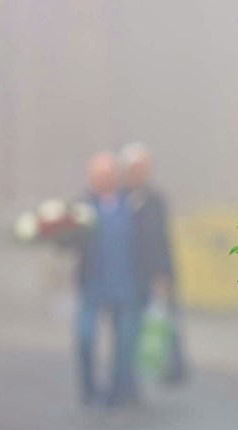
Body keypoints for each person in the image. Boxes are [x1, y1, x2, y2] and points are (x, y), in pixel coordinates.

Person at [74, 151, 143, 409]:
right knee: (85, 338)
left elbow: (151, 242)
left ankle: (119, 393)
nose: (102, 180)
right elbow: (69, 244)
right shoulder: (80, 208)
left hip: (127, 284)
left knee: (124, 346)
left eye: (107, 175)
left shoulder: (134, 204)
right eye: (97, 176)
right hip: (93, 285)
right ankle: (90, 391)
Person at [119, 142, 184, 384]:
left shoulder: (155, 200)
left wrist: (165, 275)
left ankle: (161, 372)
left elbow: (162, 241)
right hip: (125, 277)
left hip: (152, 275)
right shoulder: (119, 198)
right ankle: (127, 384)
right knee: (127, 333)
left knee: (155, 327)